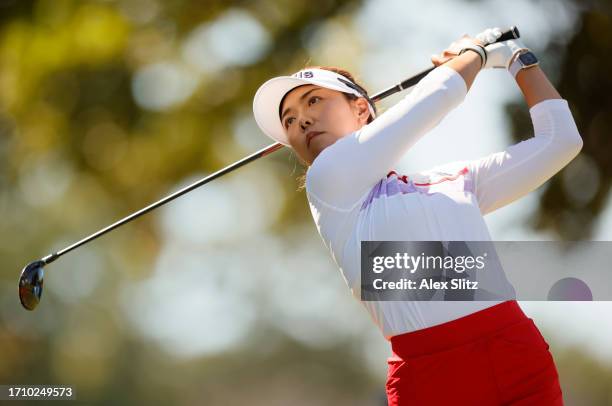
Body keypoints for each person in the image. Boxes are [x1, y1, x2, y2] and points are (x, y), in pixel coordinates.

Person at [252, 27, 582, 405]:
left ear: (361, 108)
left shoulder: (453, 182)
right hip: (429, 376)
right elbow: (436, 98)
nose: (302, 122)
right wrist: (476, 51)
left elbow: (561, 141)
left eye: (313, 101)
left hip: (513, 351)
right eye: (289, 121)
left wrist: (516, 58)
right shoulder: (327, 182)